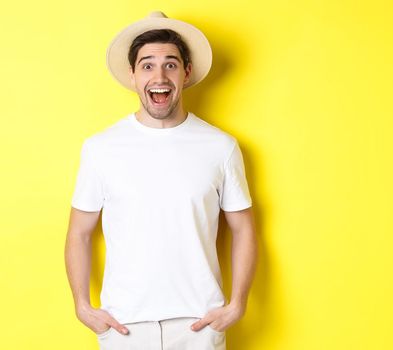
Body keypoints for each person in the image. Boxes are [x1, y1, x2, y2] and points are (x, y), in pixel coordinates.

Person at [64, 11, 257, 350]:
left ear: (186, 72)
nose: (160, 75)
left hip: (199, 324)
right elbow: (79, 232)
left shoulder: (221, 147)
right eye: (148, 65)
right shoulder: (100, 148)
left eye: (170, 64)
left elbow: (243, 229)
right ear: (133, 75)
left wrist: (237, 305)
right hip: (124, 326)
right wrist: (82, 306)